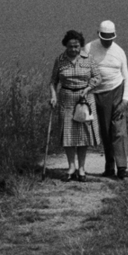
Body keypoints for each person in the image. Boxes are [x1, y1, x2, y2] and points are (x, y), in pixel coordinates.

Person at [49, 30, 101, 182]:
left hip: (85, 100)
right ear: (66, 45)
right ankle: (71, 167)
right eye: (71, 46)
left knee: (83, 135)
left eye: (77, 46)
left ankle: (82, 168)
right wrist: (53, 96)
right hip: (66, 99)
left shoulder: (88, 59)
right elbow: (53, 81)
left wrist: (88, 88)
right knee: (68, 134)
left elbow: (98, 77)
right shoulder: (60, 60)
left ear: (81, 46)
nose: (73, 49)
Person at [84, 20, 128, 179]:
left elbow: (127, 77)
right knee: (105, 131)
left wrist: (124, 100)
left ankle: (122, 168)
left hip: (117, 90)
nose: (107, 41)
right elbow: (84, 72)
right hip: (98, 94)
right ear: (99, 34)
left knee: (118, 130)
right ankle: (109, 166)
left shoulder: (119, 51)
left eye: (110, 38)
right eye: (104, 38)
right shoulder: (89, 48)